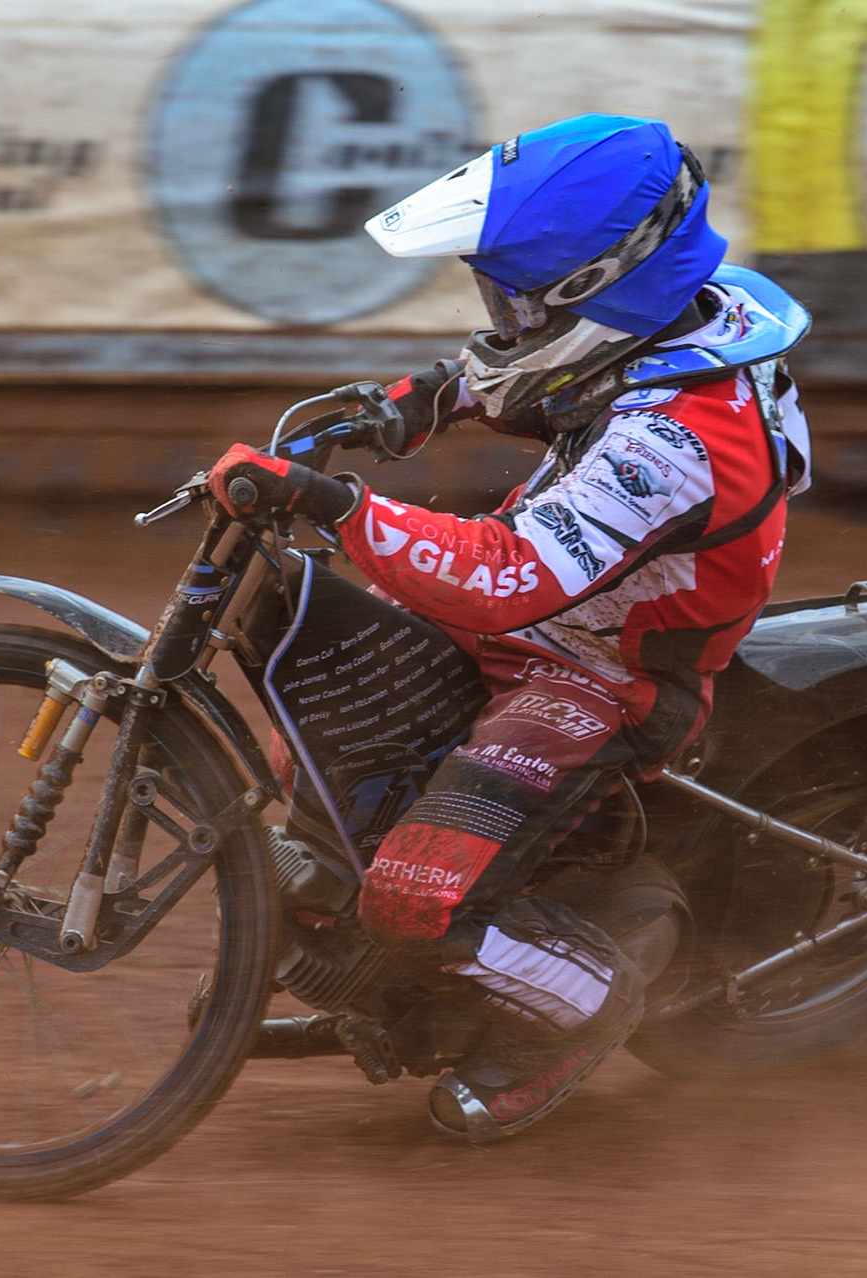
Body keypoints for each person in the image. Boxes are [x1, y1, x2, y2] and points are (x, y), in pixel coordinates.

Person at [208, 114, 811, 1141]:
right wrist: (403, 407)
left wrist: (337, 505)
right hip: (546, 615)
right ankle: (415, 992)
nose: (500, 315)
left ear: (598, 288)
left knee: (415, 896)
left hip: (601, 671)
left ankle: (580, 1007)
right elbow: (516, 373)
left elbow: (503, 577)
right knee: (313, 754)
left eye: (516, 297)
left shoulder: (676, 442)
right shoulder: (668, 315)